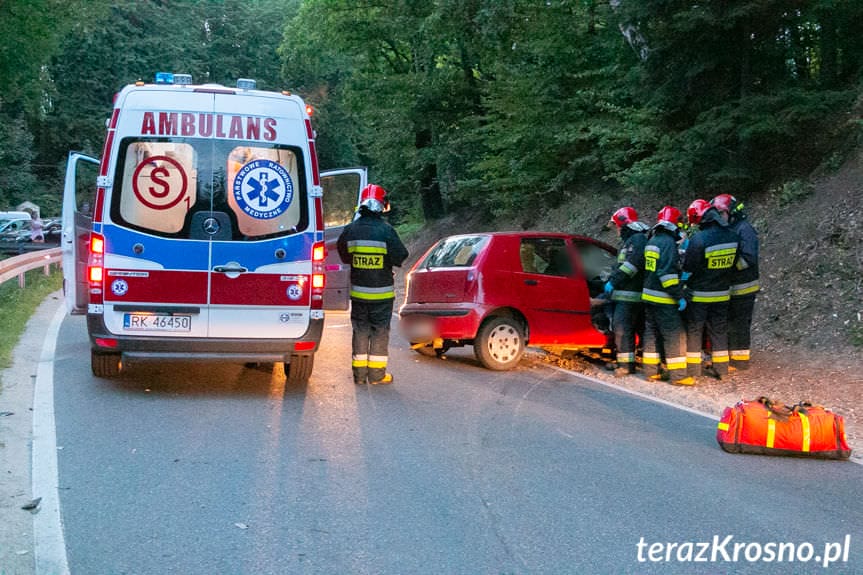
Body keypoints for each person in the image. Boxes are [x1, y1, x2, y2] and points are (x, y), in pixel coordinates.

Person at [337, 184, 409, 385]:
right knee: (379, 331)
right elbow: (401, 255)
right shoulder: (386, 231)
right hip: (381, 295)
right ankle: (377, 375)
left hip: (359, 294)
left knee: (360, 330)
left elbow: (344, 255)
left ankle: (359, 376)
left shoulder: (350, 230)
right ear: (381, 205)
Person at [682, 199, 739, 380]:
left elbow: (689, 266)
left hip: (700, 294)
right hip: (723, 293)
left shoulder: (699, 239)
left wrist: (682, 282)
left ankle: (693, 371)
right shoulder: (732, 235)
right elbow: (735, 263)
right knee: (719, 330)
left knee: (695, 330)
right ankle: (721, 369)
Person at [641, 206, 691, 385]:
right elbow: (667, 275)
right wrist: (679, 297)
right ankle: (678, 376)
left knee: (651, 333)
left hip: (648, 296)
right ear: (675, 224)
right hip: (664, 298)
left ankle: (651, 371)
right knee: (674, 335)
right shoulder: (668, 243)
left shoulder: (652, 240)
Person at [712, 193, 759, 371]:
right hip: (730, 286)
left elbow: (749, 257)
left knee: (740, 323)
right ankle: (732, 357)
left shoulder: (744, 229)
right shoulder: (729, 229)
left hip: (744, 287)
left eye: (721, 214)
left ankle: (740, 361)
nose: (718, 218)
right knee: (730, 322)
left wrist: (726, 268)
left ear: (731, 213)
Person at [603, 206, 649, 376]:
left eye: (616, 225)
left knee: (622, 329)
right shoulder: (632, 240)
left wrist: (613, 281)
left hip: (630, 295)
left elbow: (631, 266)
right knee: (625, 329)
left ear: (624, 223)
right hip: (627, 294)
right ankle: (625, 363)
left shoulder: (637, 240)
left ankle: (626, 366)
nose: (616, 229)